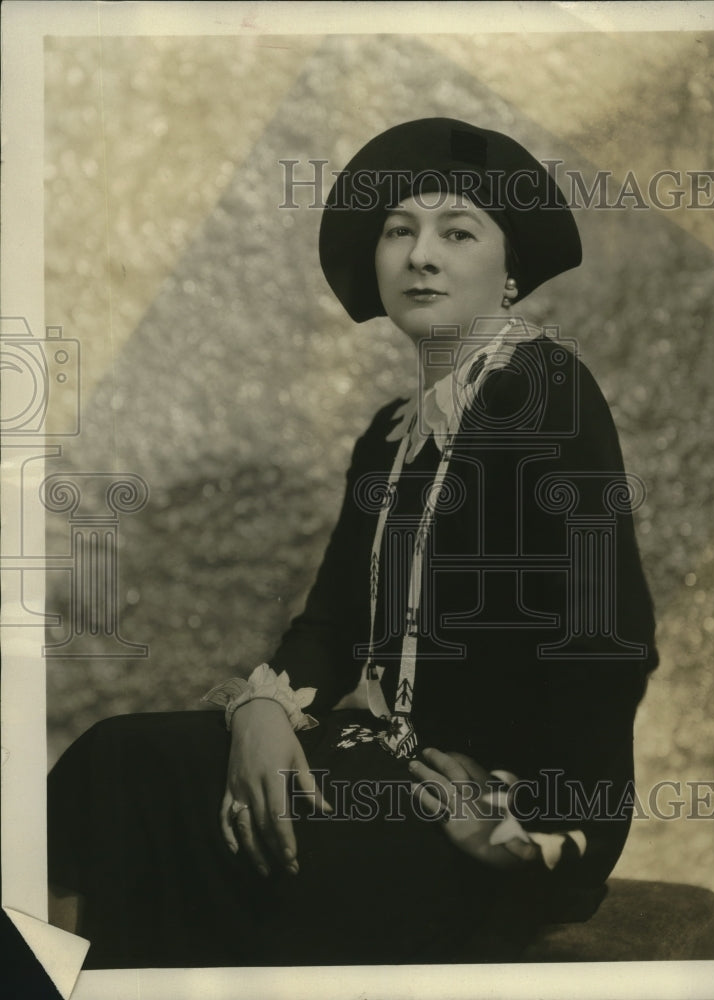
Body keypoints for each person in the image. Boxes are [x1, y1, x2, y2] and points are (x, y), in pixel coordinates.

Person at [48, 118, 658, 968]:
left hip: (483, 804)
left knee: (232, 853)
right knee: (119, 762)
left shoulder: (547, 388)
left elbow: (606, 629)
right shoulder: (388, 436)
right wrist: (263, 710)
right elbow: (333, 623)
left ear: (508, 270)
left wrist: (543, 831)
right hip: (366, 754)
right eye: (397, 231)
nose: (419, 254)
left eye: (456, 231)